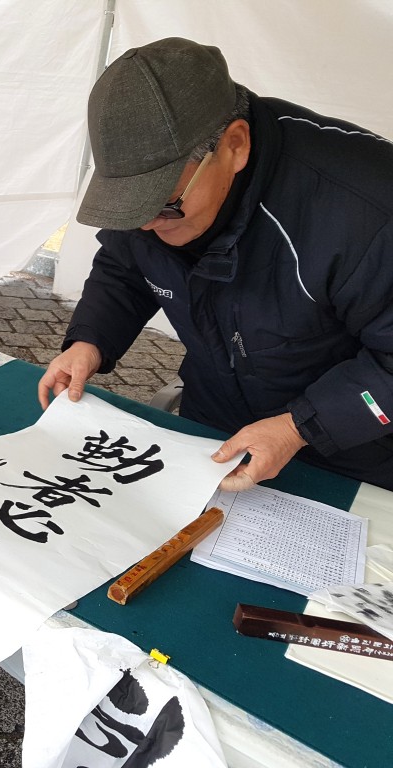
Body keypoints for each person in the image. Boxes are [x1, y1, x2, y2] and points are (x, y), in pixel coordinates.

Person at [38, 37, 393, 492]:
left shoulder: (366, 210)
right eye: (132, 210)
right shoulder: (156, 207)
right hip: (214, 428)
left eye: (164, 205)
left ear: (235, 145)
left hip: (352, 452)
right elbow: (126, 266)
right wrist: (90, 340)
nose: (145, 224)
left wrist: (297, 428)